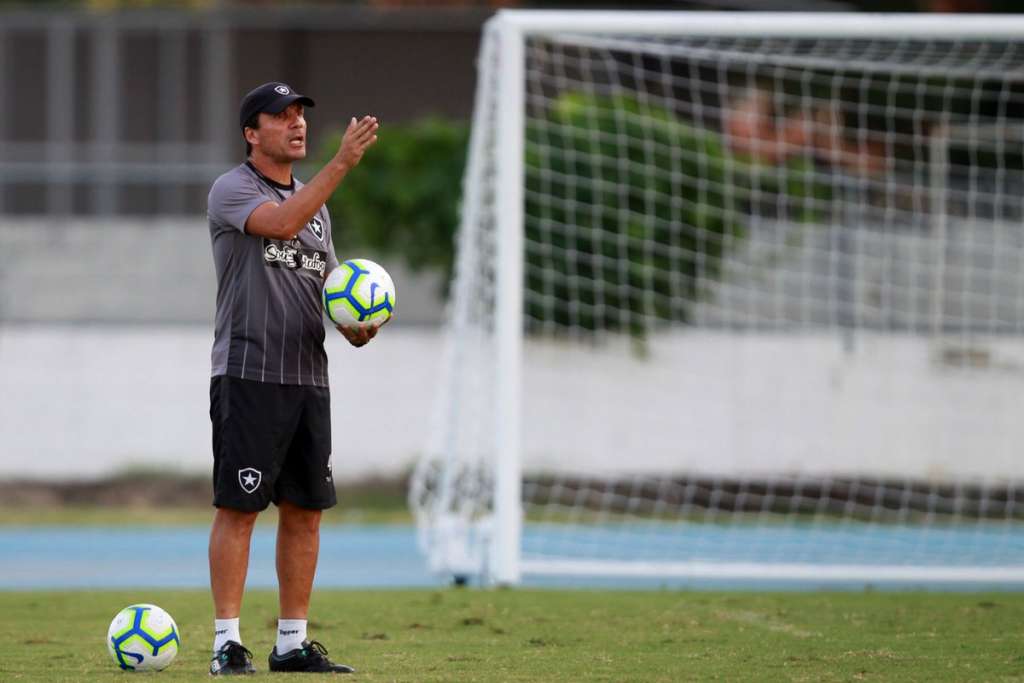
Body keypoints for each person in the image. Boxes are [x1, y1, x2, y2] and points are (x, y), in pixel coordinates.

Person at [205, 81, 380, 675]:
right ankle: (227, 643)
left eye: (300, 114)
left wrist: (355, 325)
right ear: (252, 133)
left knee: (305, 510)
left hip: (308, 378)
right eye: (281, 116)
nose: (297, 123)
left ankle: (291, 643)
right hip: (249, 373)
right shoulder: (232, 189)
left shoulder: (316, 207)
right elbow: (280, 225)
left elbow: (332, 290)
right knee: (239, 508)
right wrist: (342, 163)